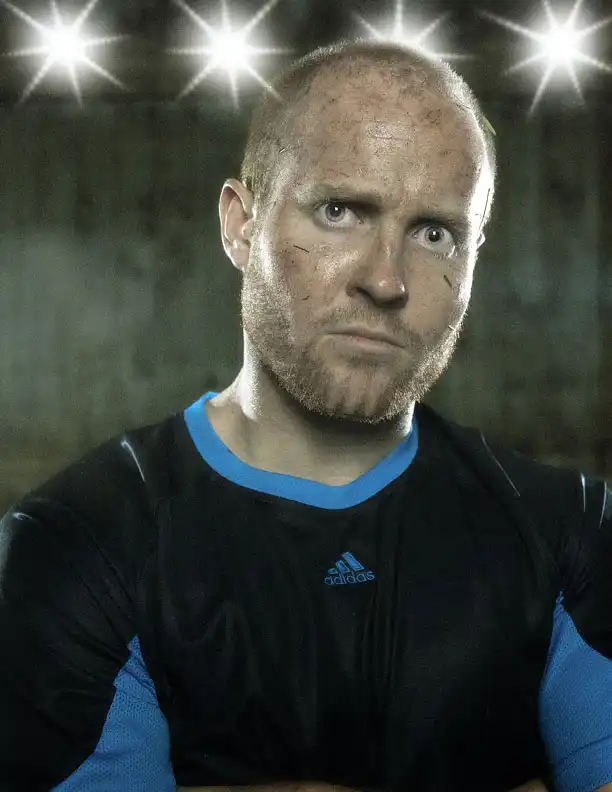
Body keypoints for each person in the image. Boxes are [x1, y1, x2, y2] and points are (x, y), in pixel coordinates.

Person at [1, 37, 611, 792]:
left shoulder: (571, 528)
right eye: (340, 211)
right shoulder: (77, 541)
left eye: (435, 233)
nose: (387, 280)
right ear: (240, 224)